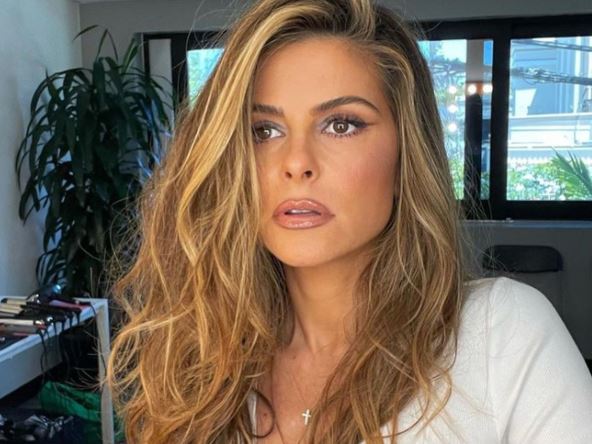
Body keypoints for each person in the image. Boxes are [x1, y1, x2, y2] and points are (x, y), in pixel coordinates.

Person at [106, 0, 592, 442]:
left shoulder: (499, 335)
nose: (296, 162)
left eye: (341, 124)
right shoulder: (200, 363)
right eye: (264, 130)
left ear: (406, 157)